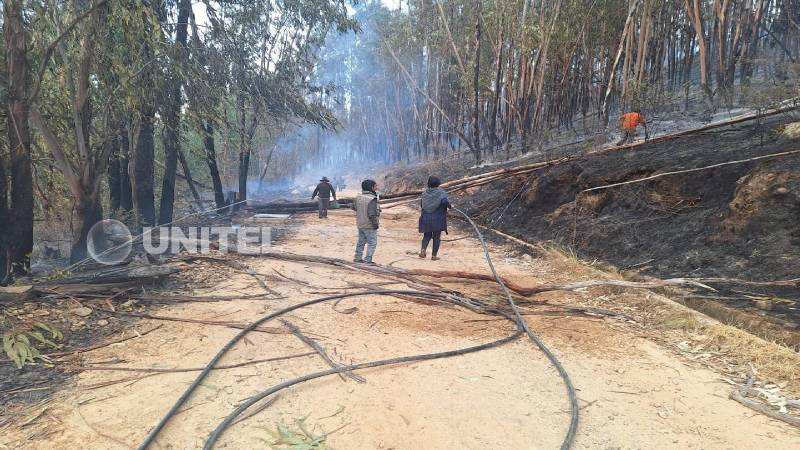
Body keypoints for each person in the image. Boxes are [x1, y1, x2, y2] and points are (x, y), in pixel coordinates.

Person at [418, 176, 451, 261]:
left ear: (429, 183)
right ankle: (434, 256)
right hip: (437, 218)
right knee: (436, 237)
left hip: (426, 218)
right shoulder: (441, 192)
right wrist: (449, 207)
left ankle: (423, 249)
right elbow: (444, 202)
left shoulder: (424, 193)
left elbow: (422, 205)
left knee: (427, 235)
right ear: (438, 183)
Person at [353, 179, 380, 264]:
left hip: (360, 224)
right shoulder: (372, 198)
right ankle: (368, 260)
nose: (376, 187)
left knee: (360, 242)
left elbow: (354, 207)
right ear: (371, 187)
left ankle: (357, 258)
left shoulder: (358, 197)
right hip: (369, 225)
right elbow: (372, 214)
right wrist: (375, 224)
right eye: (375, 186)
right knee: (372, 243)